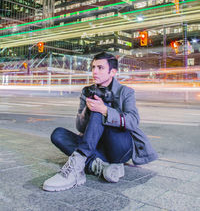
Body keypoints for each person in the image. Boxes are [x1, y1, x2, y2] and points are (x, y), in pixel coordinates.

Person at [43, 52, 157, 192]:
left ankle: (77, 167)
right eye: (93, 67)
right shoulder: (87, 91)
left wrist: (105, 110)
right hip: (96, 147)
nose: (95, 71)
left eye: (100, 68)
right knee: (58, 134)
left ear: (112, 72)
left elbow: (133, 121)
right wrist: (86, 110)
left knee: (100, 110)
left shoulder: (125, 92)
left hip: (119, 147)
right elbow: (80, 127)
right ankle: (103, 167)